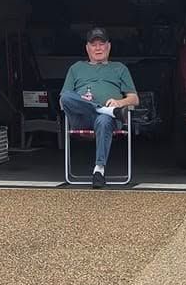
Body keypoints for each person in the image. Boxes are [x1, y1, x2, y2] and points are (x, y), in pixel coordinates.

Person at [59, 28, 138, 187]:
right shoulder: (76, 68)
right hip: (81, 118)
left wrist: (119, 103)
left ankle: (99, 170)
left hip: (108, 119)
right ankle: (101, 108)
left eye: (102, 44)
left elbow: (134, 99)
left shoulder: (119, 68)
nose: (98, 48)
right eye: (94, 45)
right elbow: (63, 102)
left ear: (108, 47)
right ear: (87, 48)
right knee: (66, 96)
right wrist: (85, 103)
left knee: (103, 119)